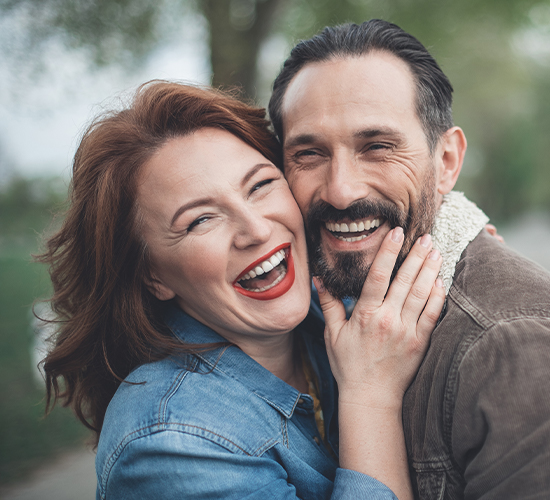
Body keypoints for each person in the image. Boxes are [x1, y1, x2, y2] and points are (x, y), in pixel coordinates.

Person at [40, 81, 447, 499]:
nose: (256, 229)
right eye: (200, 220)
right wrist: (370, 396)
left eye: (259, 186)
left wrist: (460, 237)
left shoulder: (328, 301)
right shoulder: (171, 444)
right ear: (152, 277)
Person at [269, 19, 550, 499]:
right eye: (309, 154)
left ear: (446, 162)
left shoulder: (516, 348)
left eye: (378, 147)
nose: (341, 190)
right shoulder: (310, 304)